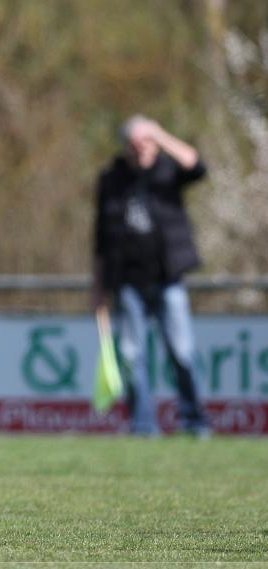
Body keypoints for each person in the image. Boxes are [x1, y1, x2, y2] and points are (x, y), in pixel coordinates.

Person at [92, 115, 211, 437]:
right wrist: (98, 287)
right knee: (132, 355)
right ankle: (143, 425)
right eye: (134, 144)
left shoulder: (169, 171)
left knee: (183, 352)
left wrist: (158, 132)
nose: (140, 149)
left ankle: (194, 420)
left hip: (169, 278)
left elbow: (198, 166)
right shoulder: (112, 179)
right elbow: (100, 238)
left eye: (146, 143)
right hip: (128, 281)